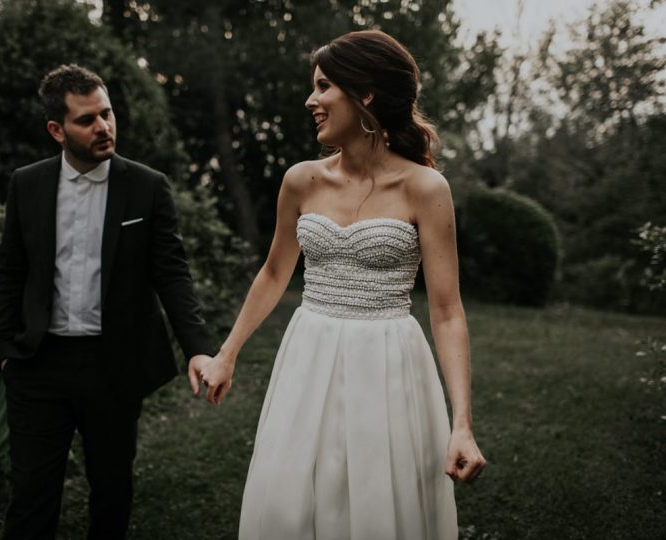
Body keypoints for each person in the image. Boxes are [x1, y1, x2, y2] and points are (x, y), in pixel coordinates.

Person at [196, 30, 486, 538]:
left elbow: (446, 311)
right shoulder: (301, 180)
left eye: (324, 86)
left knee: (378, 504)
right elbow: (273, 273)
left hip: (389, 362)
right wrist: (227, 354)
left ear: (366, 94)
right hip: (308, 355)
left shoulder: (425, 188)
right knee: (292, 502)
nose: (312, 100)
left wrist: (461, 423)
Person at [0, 64, 214, 540]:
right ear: (57, 130)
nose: (103, 127)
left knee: (111, 492)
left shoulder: (147, 186)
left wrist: (197, 346)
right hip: (39, 364)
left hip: (113, 363)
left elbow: (172, 274)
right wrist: (5, 349)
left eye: (107, 114)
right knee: (31, 497)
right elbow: (10, 272)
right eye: (87, 120)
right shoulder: (27, 184)